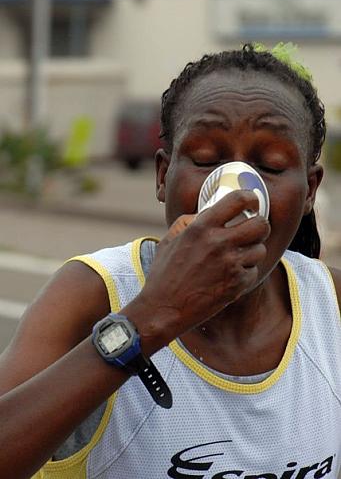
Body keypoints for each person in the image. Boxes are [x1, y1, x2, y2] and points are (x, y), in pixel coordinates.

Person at [0, 43, 340, 479]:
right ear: (163, 176)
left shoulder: (331, 306)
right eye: (205, 160)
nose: (235, 194)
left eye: (271, 166)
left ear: (310, 191)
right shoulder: (92, 294)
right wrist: (149, 318)